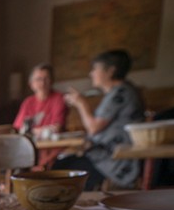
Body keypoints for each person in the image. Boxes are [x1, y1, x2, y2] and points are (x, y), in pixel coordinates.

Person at [54, 49, 146, 190]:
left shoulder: (120, 93)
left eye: (95, 69)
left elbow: (94, 127)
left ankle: (82, 206)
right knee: (61, 164)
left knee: (62, 170)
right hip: (107, 155)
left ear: (110, 71)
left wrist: (81, 103)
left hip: (116, 161)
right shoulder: (118, 92)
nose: (91, 73)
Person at [12, 63, 67, 133]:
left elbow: (56, 129)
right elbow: (19, 128)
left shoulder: (59, 98)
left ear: (52, 81)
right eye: (38, 79)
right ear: (31, 84)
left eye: (46, 79)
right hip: (31, 142)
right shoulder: (28, 102)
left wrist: (30, 131)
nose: (42, 83)